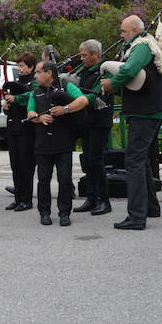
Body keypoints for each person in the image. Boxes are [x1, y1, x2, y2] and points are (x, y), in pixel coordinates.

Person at [100, 15, 162, 230]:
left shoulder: (140, 46)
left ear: (133, 30)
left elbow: (129, 71)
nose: (121, 36)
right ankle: (150, 207)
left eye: (123, 31)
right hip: (150, 110)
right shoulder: (147, 43)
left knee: (134, 162)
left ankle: (136, 217)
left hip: (144, 112)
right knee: (144, 161)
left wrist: (112, 84)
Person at [26, 61, 88, 226]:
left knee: (65, 179)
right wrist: (39, 118)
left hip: (63, 142)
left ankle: (64, 213)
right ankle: (44, 212)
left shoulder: (66, 86)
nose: (35, 75)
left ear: (49, 73)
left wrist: (65, 109)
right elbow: (30, 111)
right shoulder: (35, 92)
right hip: (42, 143)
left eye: (38, 72)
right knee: (43, 180)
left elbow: (83, 101)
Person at [72, 40, 114, 215]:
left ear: (96, 55)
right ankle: (91, 198)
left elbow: (97, 95)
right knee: (87, 160)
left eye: (84, 55)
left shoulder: (105, 71)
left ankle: (104, 201)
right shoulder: (85, 71)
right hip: (87, 121)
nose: (81, 58)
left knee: (96, 161)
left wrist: (76, 100)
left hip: (100, 121)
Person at [3, 52, 37, 212]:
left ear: (31, 67)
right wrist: (7, 105)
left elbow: (33, 95)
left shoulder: (35, 83)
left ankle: (27, 200)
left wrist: (17, 99)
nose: (19, 69)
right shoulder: (16, 82)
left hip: (27, 129)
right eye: (18, 65)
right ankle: (18, 198)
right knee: (15, 165)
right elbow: (12, 105)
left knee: (26, 166)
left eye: (22, 66)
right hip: (13, 127)